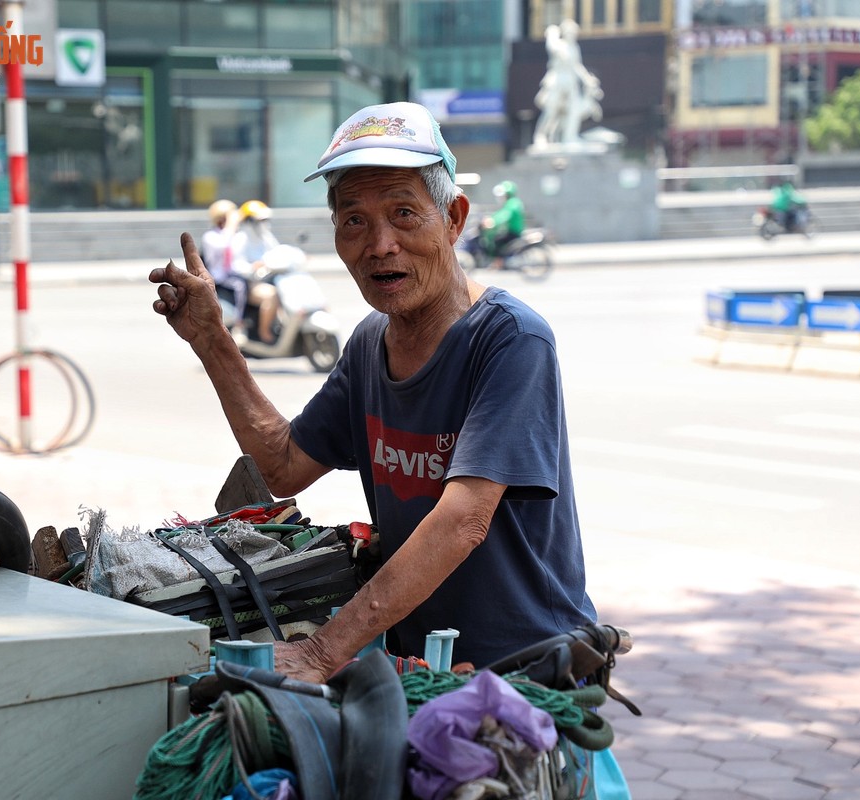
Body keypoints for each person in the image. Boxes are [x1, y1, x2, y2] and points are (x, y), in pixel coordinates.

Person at [149, 101, 596, 682]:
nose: (380, 244)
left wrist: (322, 651)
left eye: (405, 213)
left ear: (454, 219)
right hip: (423, 666)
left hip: (524, 669)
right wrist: (212, 340)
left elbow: (463, 519)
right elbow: (282, 467)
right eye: (354, 220)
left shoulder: (511, 340)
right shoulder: (369, 343)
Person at [533, 19, 603, 146]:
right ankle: (541, 136)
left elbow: (577, 66)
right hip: (557, 80)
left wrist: (587, 79)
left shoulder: (574, 48)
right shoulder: (558, 45)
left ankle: (570, 137)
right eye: (569, 32)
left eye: (574, 32)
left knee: (573, 111)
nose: (572, 34)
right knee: (551, 111)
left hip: (570, 83)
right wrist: (552, 32)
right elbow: (551, 45)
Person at [233, 200, 282, 344]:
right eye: (260, 220)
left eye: (265, 220)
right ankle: (265, 332)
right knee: (272, 295)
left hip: (270, 278)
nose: (264, 224)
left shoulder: (266, 237)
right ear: (249, 221)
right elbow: (236, 265)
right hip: (251, 284)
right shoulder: (240, 239)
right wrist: (252, 267)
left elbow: (278, 252)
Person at [200, 200, 247, 323]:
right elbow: (223, 245)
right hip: (219, 276)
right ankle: (239, 323)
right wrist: (231, 226)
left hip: (234, 272)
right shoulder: (210, 236)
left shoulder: (236, 234)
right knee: (240, 287)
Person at [479, 180, 526, 261]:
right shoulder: (511, 203)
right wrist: (490, 218)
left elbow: (504, 215)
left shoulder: (513, 203)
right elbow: (499, 214)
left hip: (513, 232)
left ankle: (498, 262)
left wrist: (493, 222)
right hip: (511, 231)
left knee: (496, 241)